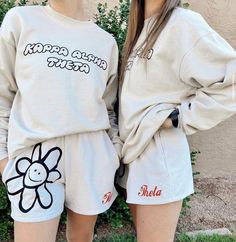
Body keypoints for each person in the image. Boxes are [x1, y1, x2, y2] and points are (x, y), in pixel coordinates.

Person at [0, 0, 122, 241]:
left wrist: (113, 152)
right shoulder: (21, 21)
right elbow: (3, 95)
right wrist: (4, 160)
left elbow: (107, 108)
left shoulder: (104, 41)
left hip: (91, 157)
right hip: (35, 158)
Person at [118, 0, 236, 241]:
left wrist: (177, 117)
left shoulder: (182, 23)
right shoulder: (140, 29)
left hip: (158, 158)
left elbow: (231, 82)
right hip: (133, 156)